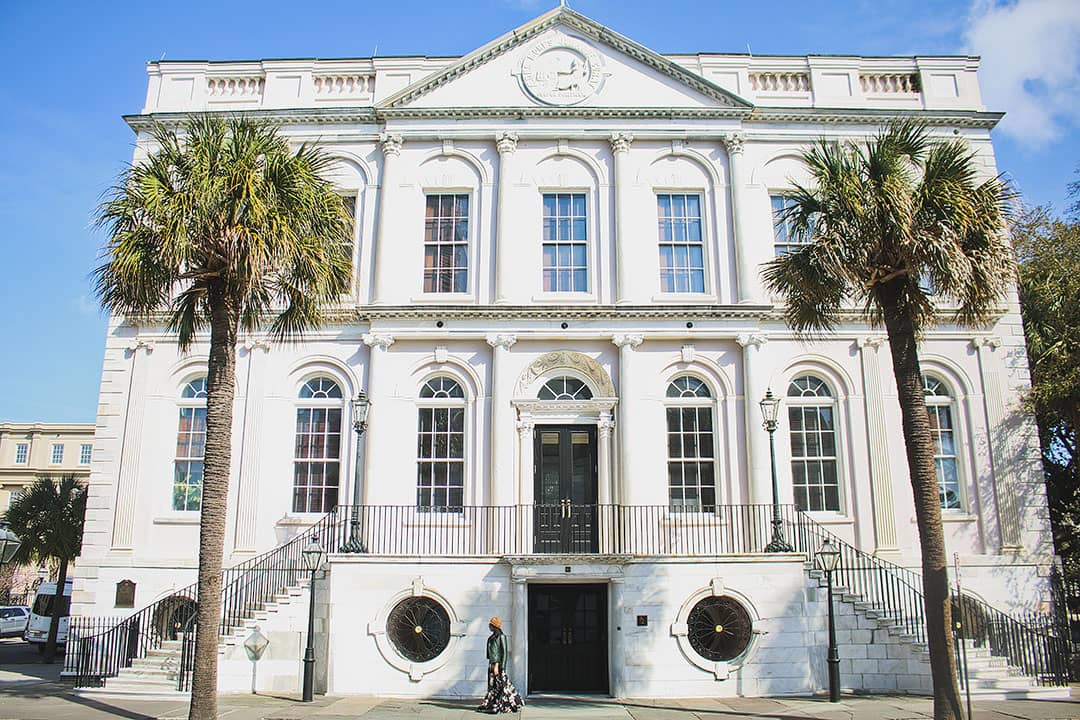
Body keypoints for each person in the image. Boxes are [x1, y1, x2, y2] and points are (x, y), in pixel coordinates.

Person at [477, 617, 523, 714]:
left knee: (501, 686)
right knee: (493, 685)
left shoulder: (501, 637)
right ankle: (491, 703)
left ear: (494, 626)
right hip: (492, 664)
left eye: (491, 624)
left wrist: (500, 666)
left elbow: (504, 652)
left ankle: (507, 704)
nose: (489, 626)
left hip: (497, 665)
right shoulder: (493, 637)